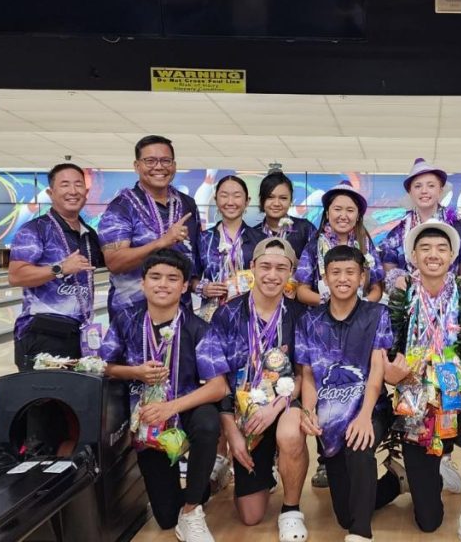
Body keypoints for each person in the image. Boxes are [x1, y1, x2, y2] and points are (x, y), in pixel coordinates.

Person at [378, 220, 461, 541]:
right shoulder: (398, 304)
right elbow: (381, 355)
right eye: (426, 249)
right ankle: (422, 472)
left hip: (459, 402)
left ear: (452, 258)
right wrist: (390, 375)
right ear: (413, 257)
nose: (434, 255)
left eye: (442, 249)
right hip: (415, 407)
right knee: (428, 521)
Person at [100, 249, 229, 542]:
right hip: (147, 418)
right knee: (165, 517)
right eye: (155, 277)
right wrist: (136, 373)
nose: (163, 284)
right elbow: (106, 366)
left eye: (173, 278)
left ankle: (193, 509)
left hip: (184, 408)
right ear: (143, 283)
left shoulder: (198, 328)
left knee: (208, 423)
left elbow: (218, 386)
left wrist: (171, 407)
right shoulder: (126, 321)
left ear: (184, 286)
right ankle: (202, 486)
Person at [197, 237, 310, 540]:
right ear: (252, 268)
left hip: (282, 405)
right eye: (266, 267)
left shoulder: (299, 316)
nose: (272, 275)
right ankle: (269, 472)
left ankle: (291, 509)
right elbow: (217, 381)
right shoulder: (228, 314)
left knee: (289, 432)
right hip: (243, 415)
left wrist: (276, 407)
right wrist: (232, 432)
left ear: (290, 274)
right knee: (250, 516)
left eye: (281, 268)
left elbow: (303, 376)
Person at [296, 245, 392, 542]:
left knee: (359, 445)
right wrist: (309, 412)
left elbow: (377, 370)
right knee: (343, 513)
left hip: (370, 408)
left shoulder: (377, 314)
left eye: (351, 272)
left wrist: (364, 416)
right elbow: (308, 375)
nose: (343, 278)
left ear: (363, 276)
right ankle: (395, 483)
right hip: (330, 415)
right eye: (335, 272)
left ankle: (361, 532)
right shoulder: (308, 321)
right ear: (324, 278)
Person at [9, 163, 104, 370]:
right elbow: (16, 275)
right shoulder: (34, 229)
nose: (73, 191)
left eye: (78, 185)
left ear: (86, 193)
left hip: (80, 334)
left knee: (74, 401)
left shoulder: (89, 234)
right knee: (44, 400)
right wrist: (60, 268)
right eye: (65, 185)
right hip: (43, 333)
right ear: (51, 193)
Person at [99, 135, 201, 315]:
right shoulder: (121, 207)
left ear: (174, 165)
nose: (159, 166)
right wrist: (161, 243)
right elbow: (114, 261)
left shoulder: (187, 203)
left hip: (180, 313)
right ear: (137, 166)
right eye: (150, 161)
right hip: (131, 314)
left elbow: (195, 257)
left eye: (165, 161)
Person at [380, 157, 461, 295]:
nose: (424, 191)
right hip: (410, 306)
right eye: (418, 186)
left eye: (431, 185)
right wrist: (397, 279)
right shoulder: (398, 233)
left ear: (440, 190)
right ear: (410, 192)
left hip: (451, 305)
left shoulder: (459, 229)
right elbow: (388, 273)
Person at [294, 180, 384, 307]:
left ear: (358, 215)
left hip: (361, 317)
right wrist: (333, 304)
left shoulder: (366, 245)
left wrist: (360, 306)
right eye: (337, 209)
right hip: (323, 318)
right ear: (327, 213)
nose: (343, 215)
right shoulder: (314, 246)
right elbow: (302, 291)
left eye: (350, 210)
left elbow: (377, 289)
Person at [195, 175, 265, 322]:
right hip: (211, 317)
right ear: (216, 200)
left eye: (237, 196)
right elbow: (191, 278)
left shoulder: (260, 239)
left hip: (251, 316)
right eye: (224, 196)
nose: (230, 202)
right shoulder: (204, 238)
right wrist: (203, 288)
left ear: (247, 202)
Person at [258, 169, 316, 258]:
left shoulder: (305, 229)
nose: (276, 203)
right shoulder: (253, 233)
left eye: (283, 198)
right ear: (262, 200)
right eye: (270, 197)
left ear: (291, 200)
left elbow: (317, 263)